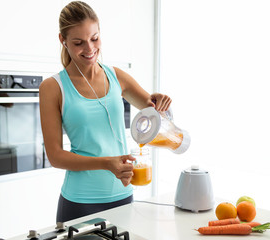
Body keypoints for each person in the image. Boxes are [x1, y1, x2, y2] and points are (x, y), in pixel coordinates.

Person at [39, 1, 172, 222]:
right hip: (80, 202)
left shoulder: (116, 76)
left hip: (123, 195)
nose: (90, 49)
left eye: (94, 38)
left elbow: (154, 111)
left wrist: (162, 102)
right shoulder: (52, 88)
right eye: (79, 42)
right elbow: (55, 156)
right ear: (63, 41)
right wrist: (106, 163)